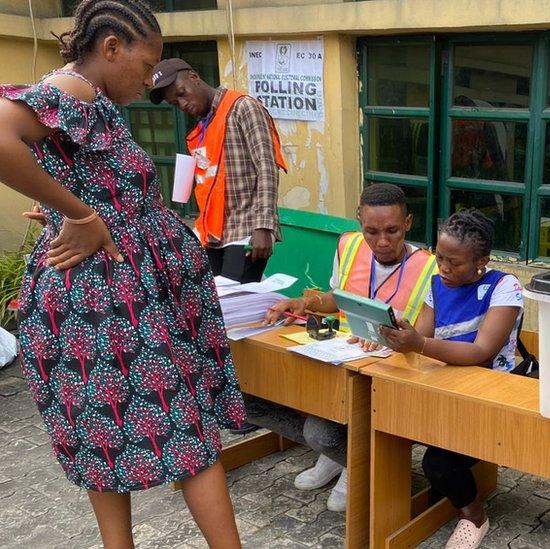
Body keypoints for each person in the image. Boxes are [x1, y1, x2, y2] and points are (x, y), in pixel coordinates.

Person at [0, 2, 244, 548]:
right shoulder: (75, 91)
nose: (151, 77)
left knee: (103, 432)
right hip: (112, 297)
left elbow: (87, 176)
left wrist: (72, 205)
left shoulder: (89, 98)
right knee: (187, 433)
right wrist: (82, 214)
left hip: (117, 287)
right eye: (146, 62)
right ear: (111, 48)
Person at [257, 183, 437, 511]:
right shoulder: (348, 246)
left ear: (408, 223)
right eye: (371, 231)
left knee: (319, 431)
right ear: (358, 221)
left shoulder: (430, 267)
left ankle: (351, 460)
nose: (382, 241)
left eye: (392, 231)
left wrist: (398, 340)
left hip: (389, 372)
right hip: (341, 357)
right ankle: (339, 455)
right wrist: (304, 302)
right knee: (263, 395)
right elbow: (334, 299)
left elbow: (425, 337)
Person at [380, 209, 523, 549]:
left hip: (488, 395)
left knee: (438, 462)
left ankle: (474, 517)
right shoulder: (437, 284)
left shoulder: (504, 287)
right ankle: (388, 502)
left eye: (454, 262)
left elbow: (481, 352)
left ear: (481, 261)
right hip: (444, 389)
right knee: (382, 421)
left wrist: (420, 343)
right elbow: (422, 337)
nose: (443, 267)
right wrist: (393, 336)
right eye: (439, 257)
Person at [148, 57, 287, 285]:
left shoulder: (242, 107)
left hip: (245, 229)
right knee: (216, 305)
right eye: (175, 103)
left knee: (234, 301)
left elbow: (267, 166)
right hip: (212, 234)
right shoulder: (203, 126)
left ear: (194, 77)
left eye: (182, 93)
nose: (182, 105)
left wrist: (263, 226)